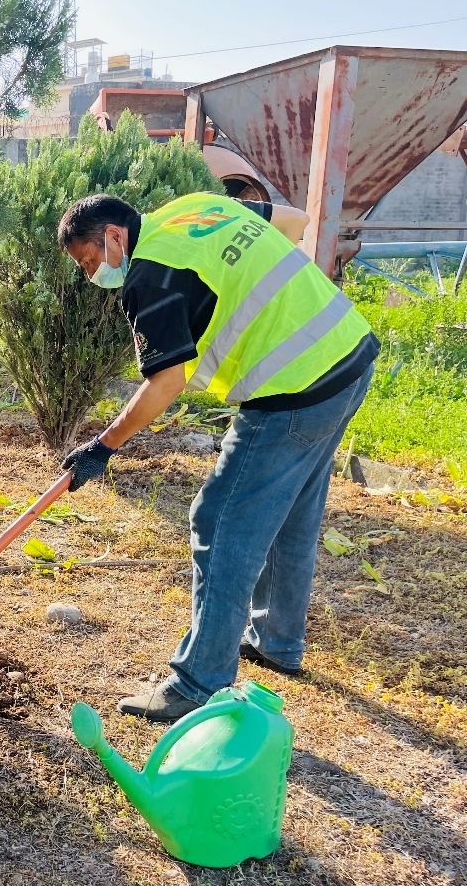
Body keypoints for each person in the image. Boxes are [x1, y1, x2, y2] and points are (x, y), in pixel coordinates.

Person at [58, 192, 378, 723]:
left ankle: (198, 681)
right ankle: (277, 639)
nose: (92, 275)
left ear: (114, 236)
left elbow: (166, 382)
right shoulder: (198, 209)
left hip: (293, 390)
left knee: (221, 519)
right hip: (347, 351)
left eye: (89, 262)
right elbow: (296, 222)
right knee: (294, 511)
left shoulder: (148, 279)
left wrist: (103, 446)